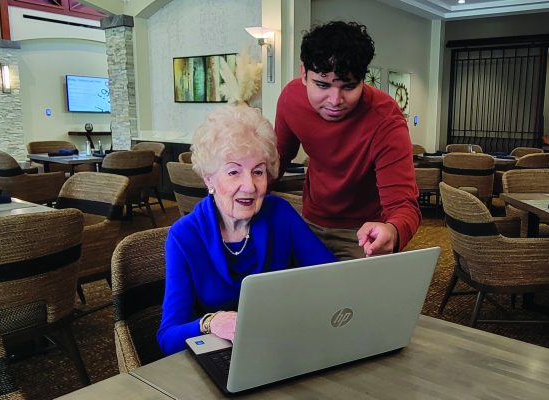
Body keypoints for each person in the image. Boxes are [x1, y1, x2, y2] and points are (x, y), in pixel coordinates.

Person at [157, 105, 337, 356]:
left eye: (258, 172)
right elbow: (167, 338)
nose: (249, 186)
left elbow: (331, 277)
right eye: (233, 171)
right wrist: (211, 323)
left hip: (281, 349)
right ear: (209, 178)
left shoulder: (279, 214)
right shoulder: (184, 237)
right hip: (219, 357)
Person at [275, 21, 420, 260]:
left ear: (363, 80)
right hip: (308, 221)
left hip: (362, 232)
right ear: (303, 74)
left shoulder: (386, 119)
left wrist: (392, 230)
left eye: (349, 86)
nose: (335, 100)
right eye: (322, 84)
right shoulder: (291, 98)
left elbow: (403, 206)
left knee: (354, 298)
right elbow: (277, 158)